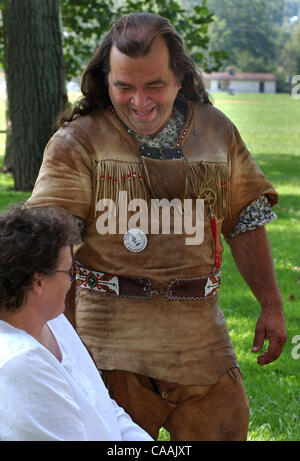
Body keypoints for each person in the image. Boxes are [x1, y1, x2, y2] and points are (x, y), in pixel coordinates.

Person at [25, 13, 287, 441]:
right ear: (105, 80)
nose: (139, 101)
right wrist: (56, 341)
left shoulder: (215, 131)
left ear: (179, 78)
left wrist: (272, 307)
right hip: (109, 347)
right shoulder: (79, 141)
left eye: (154, 85)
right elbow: (49, 247)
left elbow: (246, 221)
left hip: (202, 343)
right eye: (124, 86)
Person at [0, 206, 153, 441]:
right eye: (69, 271)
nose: (73, 281)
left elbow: (105, 409)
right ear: (38, 283)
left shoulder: (55, 322)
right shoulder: (21, 364)